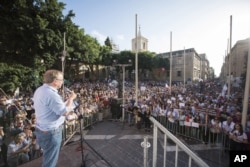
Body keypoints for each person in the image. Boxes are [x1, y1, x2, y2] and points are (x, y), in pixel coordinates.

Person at [33, 69, 77, 167]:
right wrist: (71, 99)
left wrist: (65, 103)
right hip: (51, 133)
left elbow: (51, 108)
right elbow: (65, 112)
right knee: (50, 161)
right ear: (55, 81)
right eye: (61, 80)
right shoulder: (51, 94)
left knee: (48, 156)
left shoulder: (40, 90)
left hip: (42, 129)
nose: (62, 82)